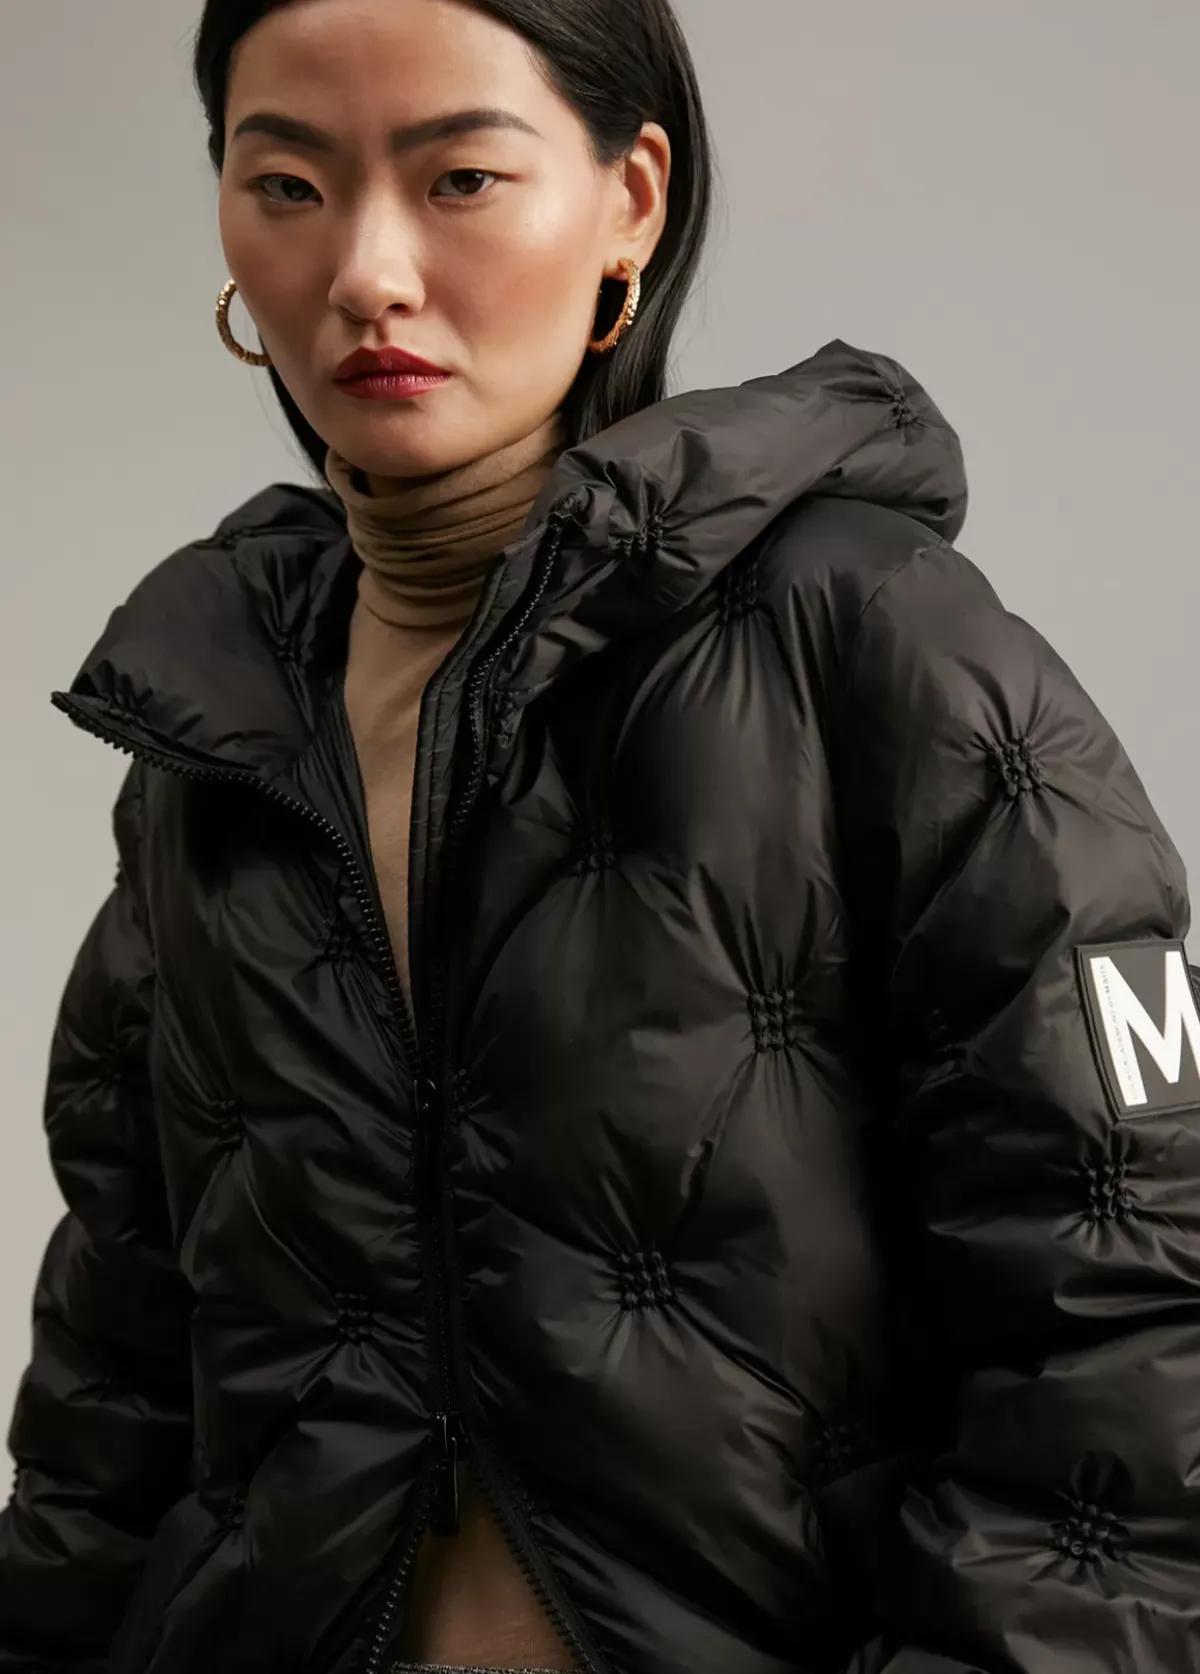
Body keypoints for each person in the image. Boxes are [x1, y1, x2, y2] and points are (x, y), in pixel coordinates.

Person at [2, 0, 1198, 1670]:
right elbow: (115, 1376)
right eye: (286, 187)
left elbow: (1130, 1322)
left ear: (631, 199)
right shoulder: (214, 730)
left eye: (460, 179)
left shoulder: (880, 647)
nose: (367, 273)